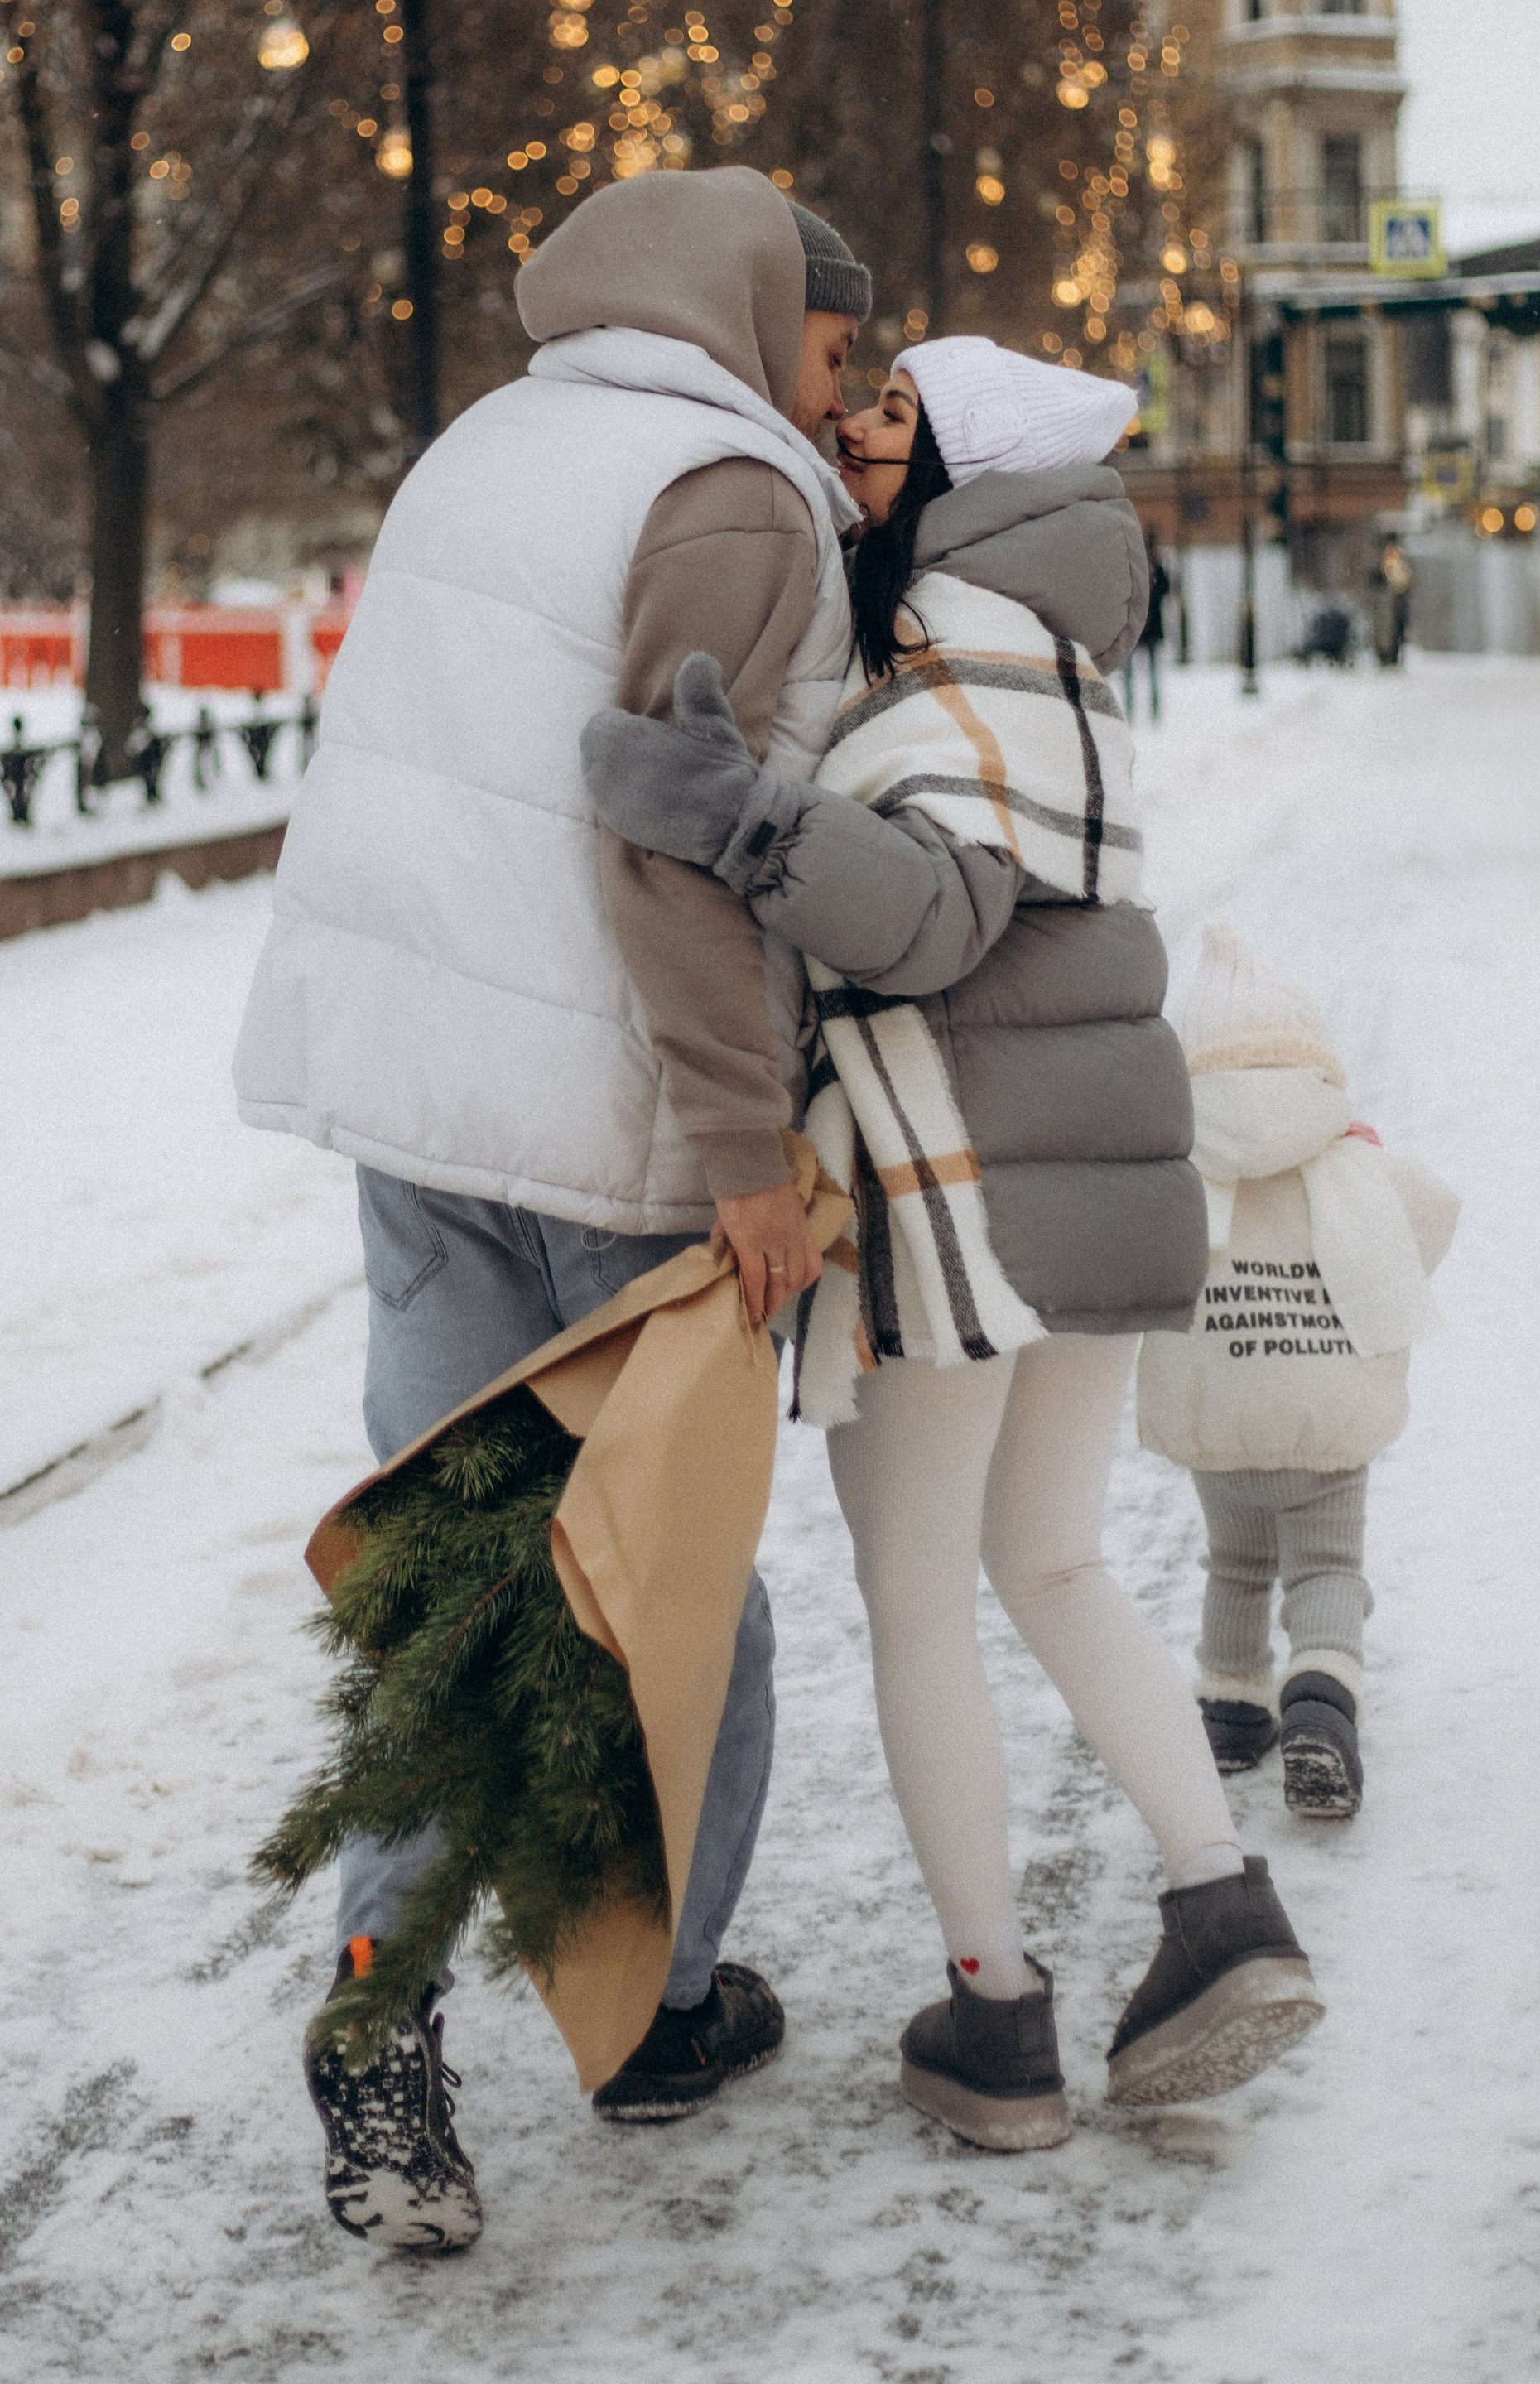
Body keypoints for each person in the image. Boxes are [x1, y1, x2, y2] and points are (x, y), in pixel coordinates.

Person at [582, 337, 1324, 2154]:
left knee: (922, 1597)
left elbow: (925, 922)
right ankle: (1216, 1907)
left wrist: (743, 820)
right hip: (1080, 1178)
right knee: (1053, 1565)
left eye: (894, 414)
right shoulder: (1049, 649)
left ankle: (993, 2019)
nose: (853, 430)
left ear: (970, 469)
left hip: (960, 1200)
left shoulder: (961, 658)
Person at [233, 167, 867, 2250]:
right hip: (606, 1125)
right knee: (673, 1584)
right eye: (832, 338)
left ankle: (377, 2020)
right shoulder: (728, 486)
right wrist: (743, 1152)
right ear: (756, 309)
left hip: (416, 1114)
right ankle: (663, 2006)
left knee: (448, 1575)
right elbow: (662, 833)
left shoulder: (482, 446)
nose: (842, 385)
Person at [1138, 927, 1459, 1819]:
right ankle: (1318, 1706)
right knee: (1322, 1569)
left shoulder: (1180, 1167)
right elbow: (1433, 1218)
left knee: (1234, 1562)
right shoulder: (1353, 1160)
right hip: (1323, 1424)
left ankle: (1231, 1714)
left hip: (1219, 1417)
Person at [1125, 537, 1171, 721]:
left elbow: (1165, 590)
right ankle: (1131, 709)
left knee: (1150, 674)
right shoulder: (1132, 571)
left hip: (1146, 630)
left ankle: (1153, 709)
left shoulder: (1154, 570)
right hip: (1136, 629)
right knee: (1130, 675)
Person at [1368, 534, 1412, 667]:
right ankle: (1384, 656)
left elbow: (1405, 582)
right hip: (1385, 603)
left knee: (1395, 631)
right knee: (1384, 630)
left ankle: (1393, 656)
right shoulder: (1381, 560)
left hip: (1396, 602)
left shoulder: (1400, 560)